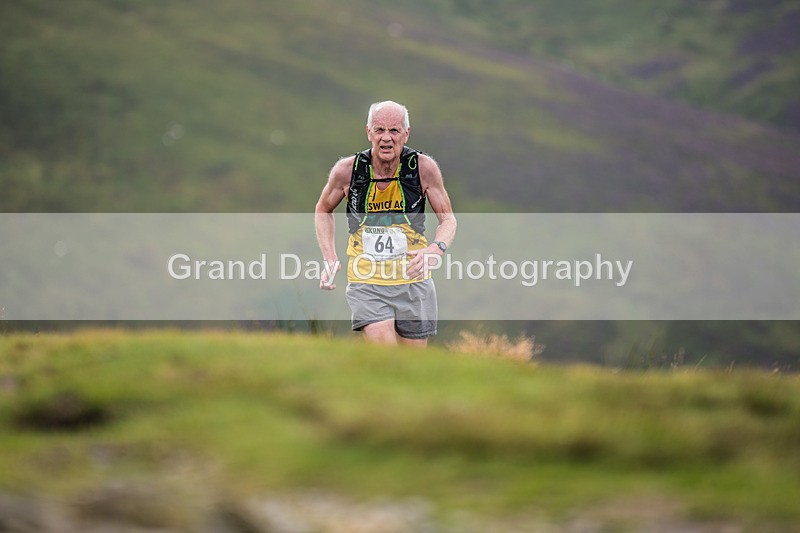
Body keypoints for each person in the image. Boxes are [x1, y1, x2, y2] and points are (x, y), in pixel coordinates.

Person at [315, 100, 456, 346]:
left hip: (413, 279)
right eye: (379, 130)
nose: (386, 138)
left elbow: (448, 219)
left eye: (394, 130)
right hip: (367, 280)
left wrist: (436, 248)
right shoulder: (347, 171)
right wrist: (329, 256)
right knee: (385, 352)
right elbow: (323, 209)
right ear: (368, 132)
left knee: (412, 369)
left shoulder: (423, 168)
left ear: (406, 133)